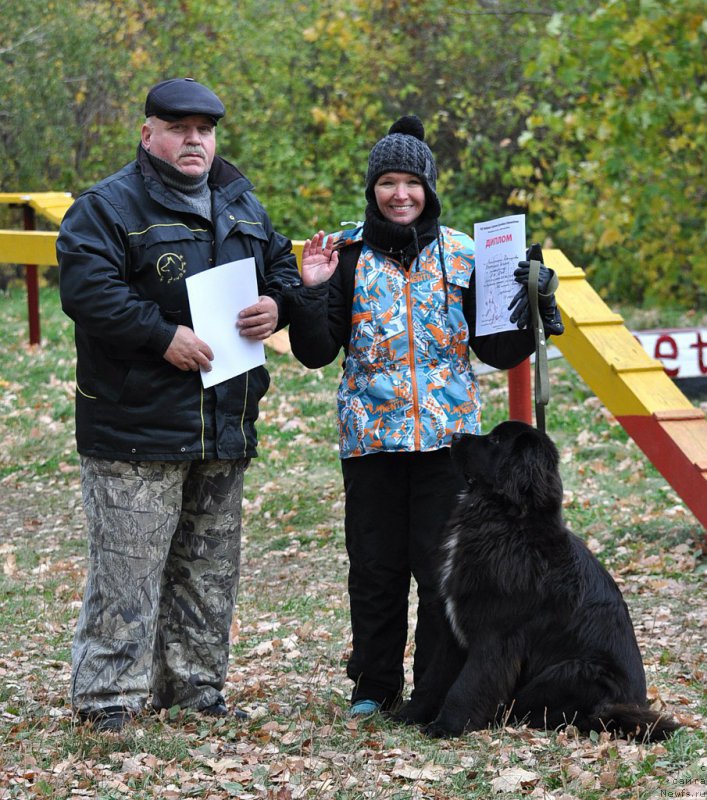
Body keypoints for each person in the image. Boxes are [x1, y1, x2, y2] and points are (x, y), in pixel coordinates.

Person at [285, 115, 563, 717]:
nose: (400, 194)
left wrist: (533, 300)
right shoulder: (346, 253)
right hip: (371, 442)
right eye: (388, 182)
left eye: (412, 182)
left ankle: (434, 689)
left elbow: (499, 351)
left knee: (441, 575)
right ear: (373, 189)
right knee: (376, 570)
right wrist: (310, 291)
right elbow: (314, 351)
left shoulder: (468, 254)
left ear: (430, 189)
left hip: (449, 444)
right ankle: (373, 687)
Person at [57, 77, 301, 732]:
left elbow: (280, 266)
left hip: (222, 424)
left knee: (207, 573)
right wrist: (160, 336)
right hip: (134, 428)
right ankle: (108, 701)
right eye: (179, 127)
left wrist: (278, 303)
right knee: (127, 575)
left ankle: (194, 692)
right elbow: (86, 290)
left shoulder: (239, 201)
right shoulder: (107, 208)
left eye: (205, 129)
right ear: (148, 134)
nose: (194, 140)